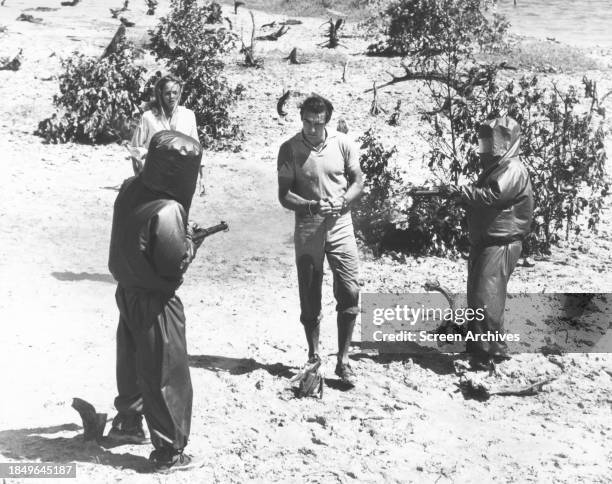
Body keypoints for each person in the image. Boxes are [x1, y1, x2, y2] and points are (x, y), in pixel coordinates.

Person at [107, 130, 205, 469]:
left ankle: (128, 423)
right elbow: (172, 267)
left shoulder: (130, 187)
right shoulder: (169, 209)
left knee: (132, 362)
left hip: (127, 292)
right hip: (156, 301)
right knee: (167, 372)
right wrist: (191, 245)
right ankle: (169, 452)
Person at [277, 95, 364, 386]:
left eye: (318, 123)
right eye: (307, 123)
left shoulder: (343, 144)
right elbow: (284, 195)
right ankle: (314, 356)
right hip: (308, 227)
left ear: (327, 120)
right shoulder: (289, 149)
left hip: (341, 225)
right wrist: (311, 206)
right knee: (310, 293)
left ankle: (344, 359)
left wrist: (344, 201)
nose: (312, 129)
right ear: (301, 119)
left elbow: (358, 182)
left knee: (350, 290)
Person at [441, 116, 534, 370]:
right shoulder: (501, 167)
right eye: (483, 144)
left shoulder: (512, 169)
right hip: (488, 242)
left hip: (500, 243)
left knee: (486, 298)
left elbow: (492, 195)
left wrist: (461, 192)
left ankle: (488, 355)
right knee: (480, 296)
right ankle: (481, 348)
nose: (485, 150)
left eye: (489, 144)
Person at [129, 75, 204, 193]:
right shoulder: (149, 117)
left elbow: (196, 148)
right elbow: (134, 148)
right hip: (154, 177)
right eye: (167, 93)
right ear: (160, 94)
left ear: (180, 93)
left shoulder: (188, 116)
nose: (171, 97)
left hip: (181, 177)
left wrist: (202, 177)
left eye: (175, 93)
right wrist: (143, 168)